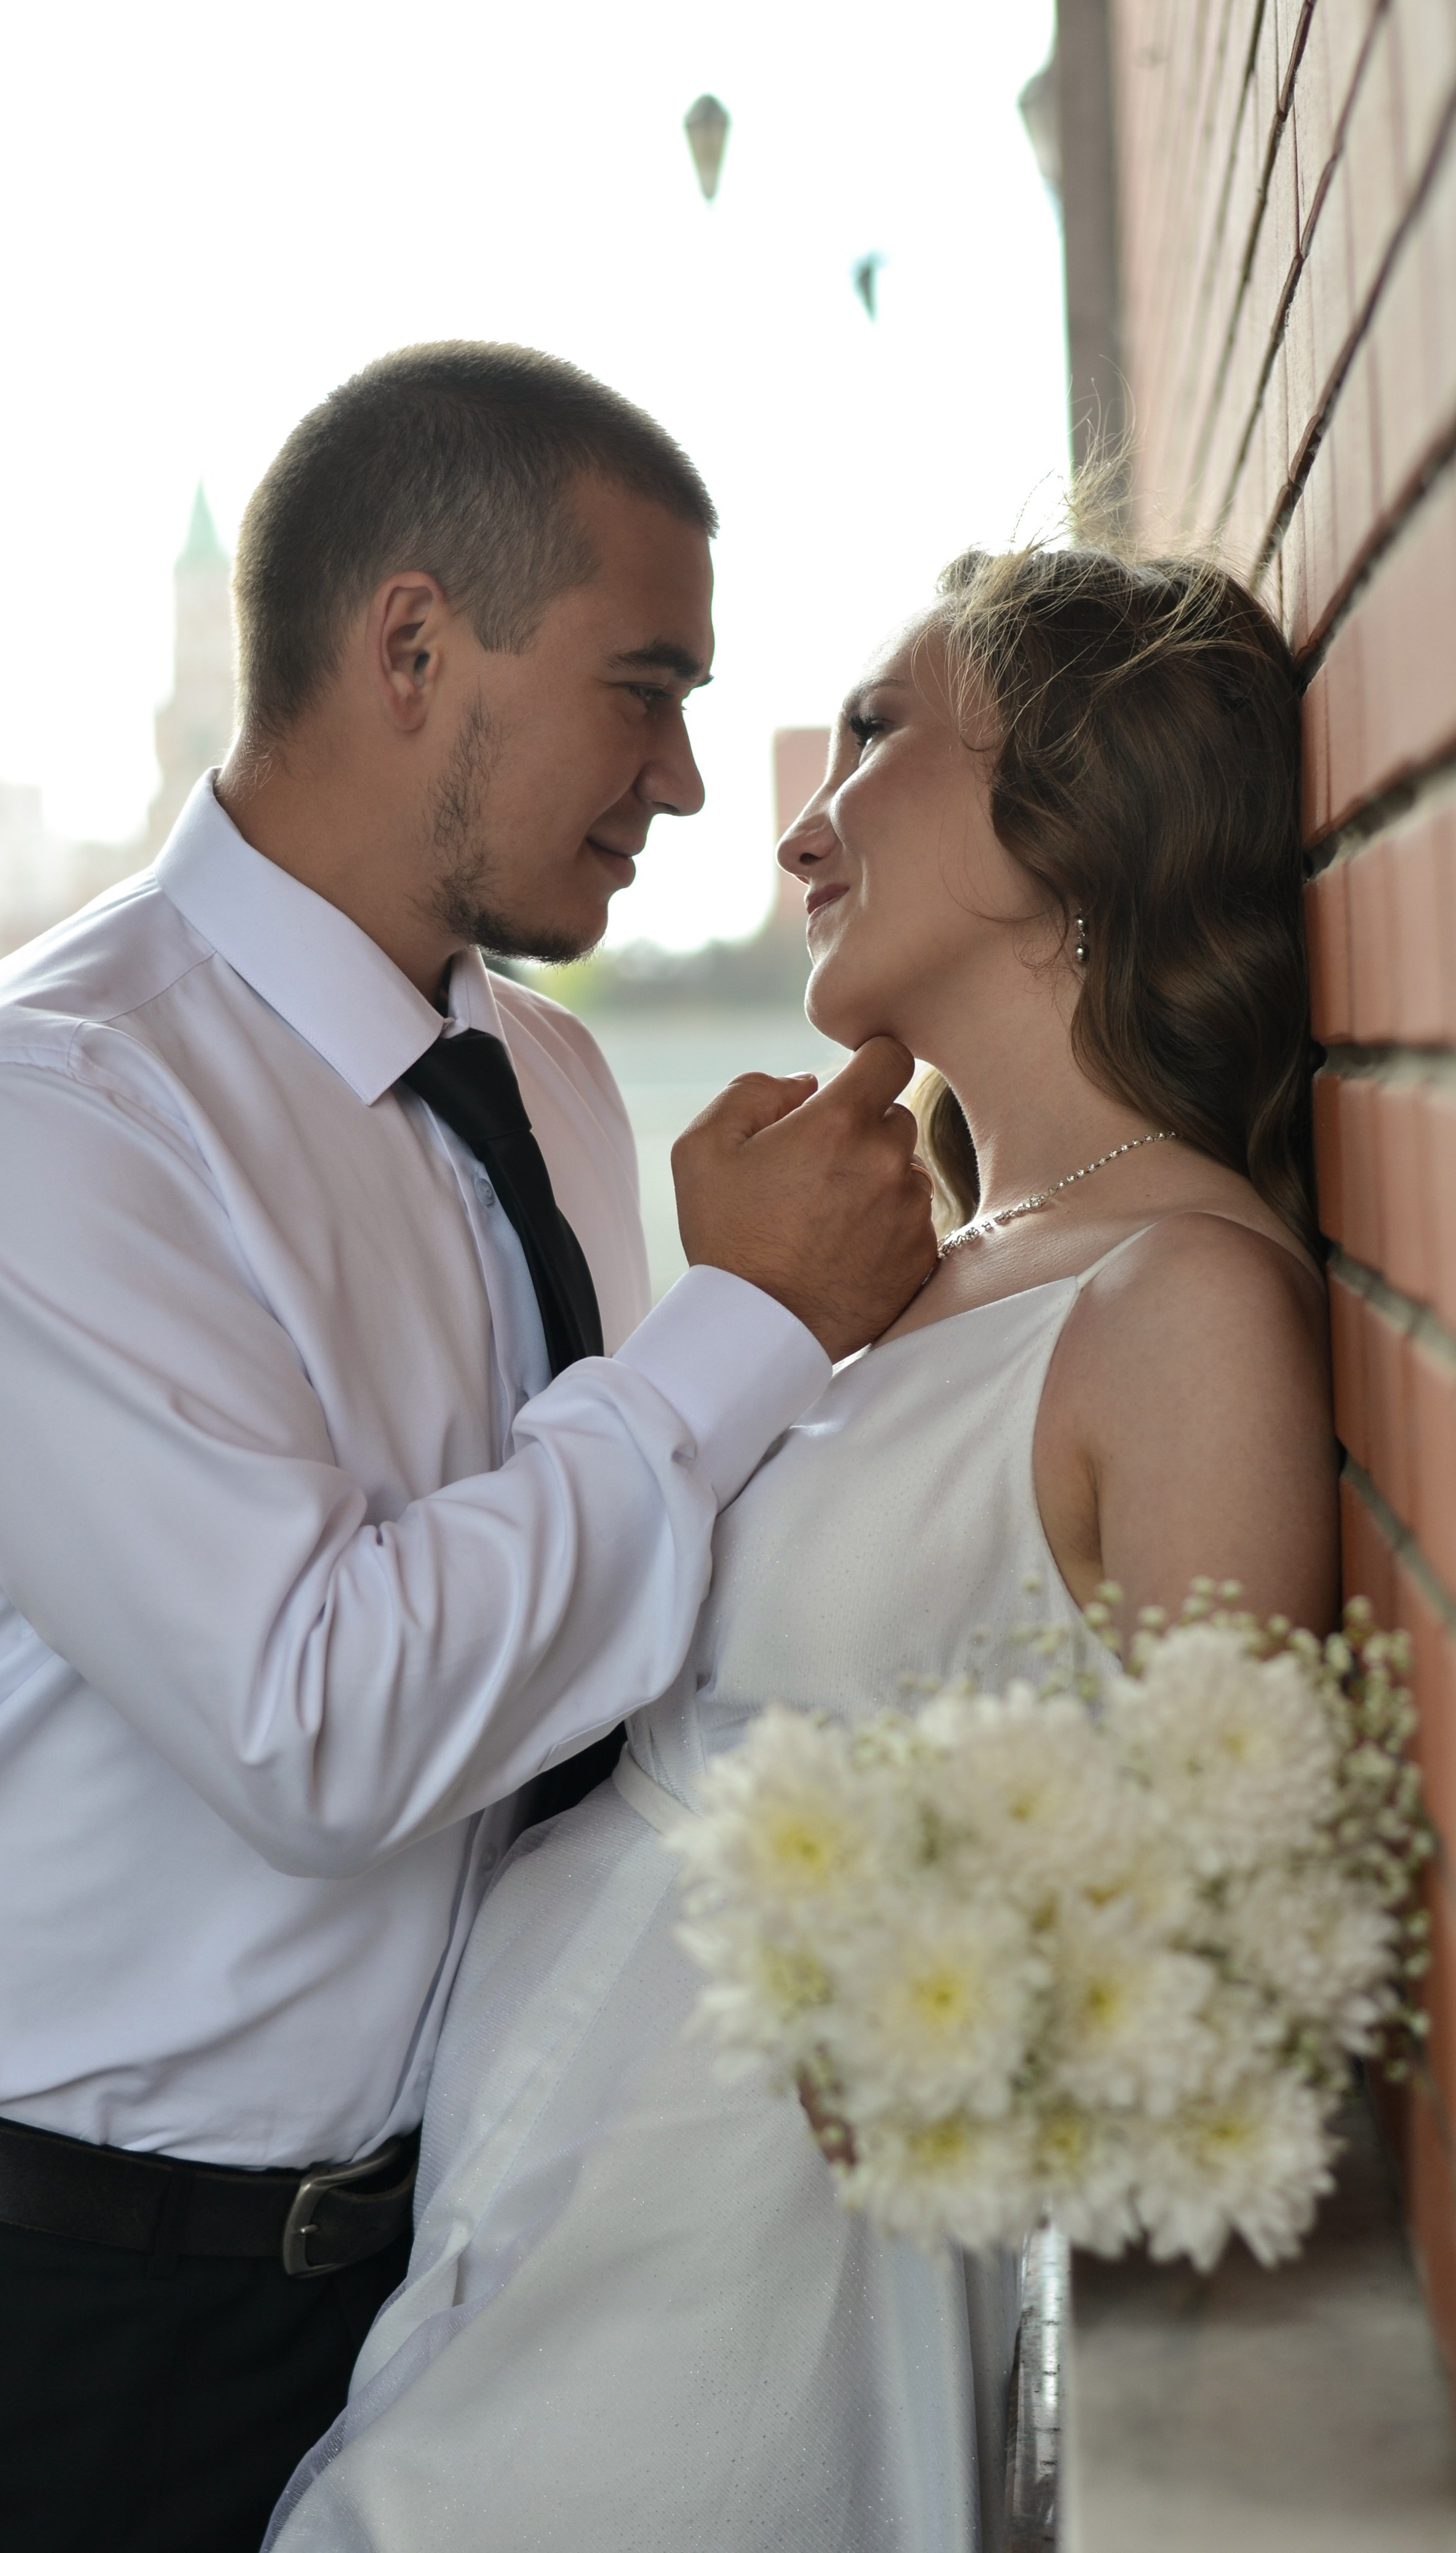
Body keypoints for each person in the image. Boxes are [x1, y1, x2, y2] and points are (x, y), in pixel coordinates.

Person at [0, 344, 940, 2553]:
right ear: (414, 646)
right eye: (647, 685)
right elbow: (324, 1722)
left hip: (443, 2271)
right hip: (28, 2315)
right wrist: (750, 1325)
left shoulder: (559, 1096)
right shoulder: (30, 1119)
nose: (687, 779)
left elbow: (583, 1638)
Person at [267, 537, 1340, 2553]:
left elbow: (1238, 1970)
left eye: (872, 738)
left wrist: (952, 2012)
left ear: (1064, 814)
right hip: (527, 2279)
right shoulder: (939, 1272)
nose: (798, 820)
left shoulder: (1182, 1307)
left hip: (729, 2378)